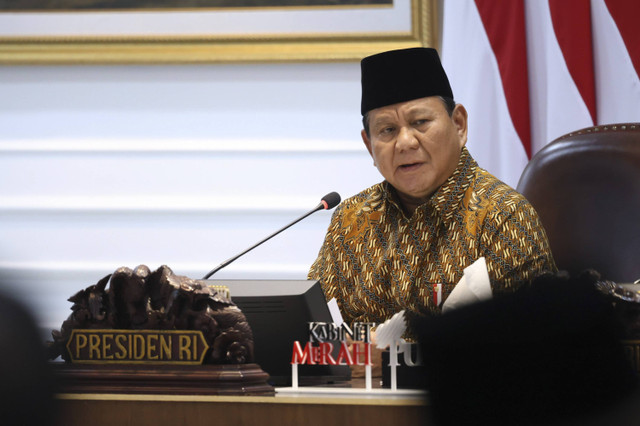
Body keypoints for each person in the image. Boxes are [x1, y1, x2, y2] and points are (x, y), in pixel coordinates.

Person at [308, 47, 556, 325]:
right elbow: (314, 321)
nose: (405, 143)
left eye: (420, 122)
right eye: (387, 130)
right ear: (369, 146)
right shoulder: (351, 218)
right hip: (358, 370)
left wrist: (394, 352)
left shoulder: (503, 216)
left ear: (458, 124)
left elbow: (524, 342)